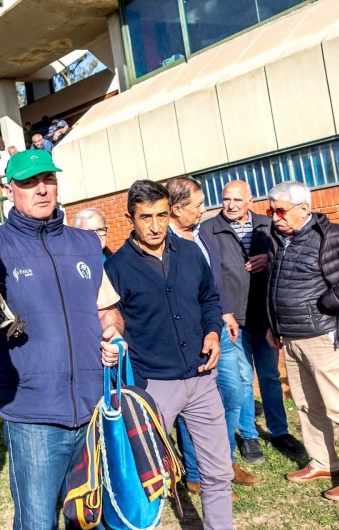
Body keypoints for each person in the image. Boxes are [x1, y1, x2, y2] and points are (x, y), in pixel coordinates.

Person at [0, 150, 124, 529]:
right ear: (10, 190)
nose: (41, 190)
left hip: (94, 408)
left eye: (48, 179)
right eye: (29, 183)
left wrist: (113, 331)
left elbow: (108, 310)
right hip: (33, 415)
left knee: (90, 519)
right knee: (36, 523)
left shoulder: (85, 244)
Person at [104, 179, 234, 530]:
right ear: (129, 216)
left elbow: (210, 300)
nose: (155, 225)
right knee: (151, 478)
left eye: (162, 215)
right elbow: (110, 320)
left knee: (218, 472)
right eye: (145, 217)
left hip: (203, 378)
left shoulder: (191, 253)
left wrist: (212, 331)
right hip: (154, 388)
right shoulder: (116, 268)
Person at [265, 181, 339, 501]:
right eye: (270, 210)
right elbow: (277, 285)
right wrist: (273, 325)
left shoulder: (336, 235)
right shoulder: (280, 240)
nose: (274, 217)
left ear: (304, 208)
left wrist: (333, 301)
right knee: (306, 405)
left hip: (324, 336)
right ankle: (323, 462)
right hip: (291, 337)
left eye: (281, 210)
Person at [165, 177, 260, 494]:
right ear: (176, 209)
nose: (204, 209)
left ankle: (224, 460)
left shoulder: (201, 231)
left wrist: (225, 311)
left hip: (218, 324)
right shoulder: (162, 240)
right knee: (192, 406)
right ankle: (195, 472)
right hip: (189, 333)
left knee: (233, 392)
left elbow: (213, 278)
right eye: (197, 205)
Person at [202, 180, 307, 460]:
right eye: (226, 199)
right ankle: (248, 435)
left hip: (265, 316)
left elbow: (286, 257)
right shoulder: (209, 229)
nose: (231, 205)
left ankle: (279, 431)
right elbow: (208, 275)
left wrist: (268, 259)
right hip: (233, 318)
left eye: (237, 199)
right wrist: (222, 312)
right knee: (243, 378)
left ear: (251, 199)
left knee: (270, 376)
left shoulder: (267, 223)